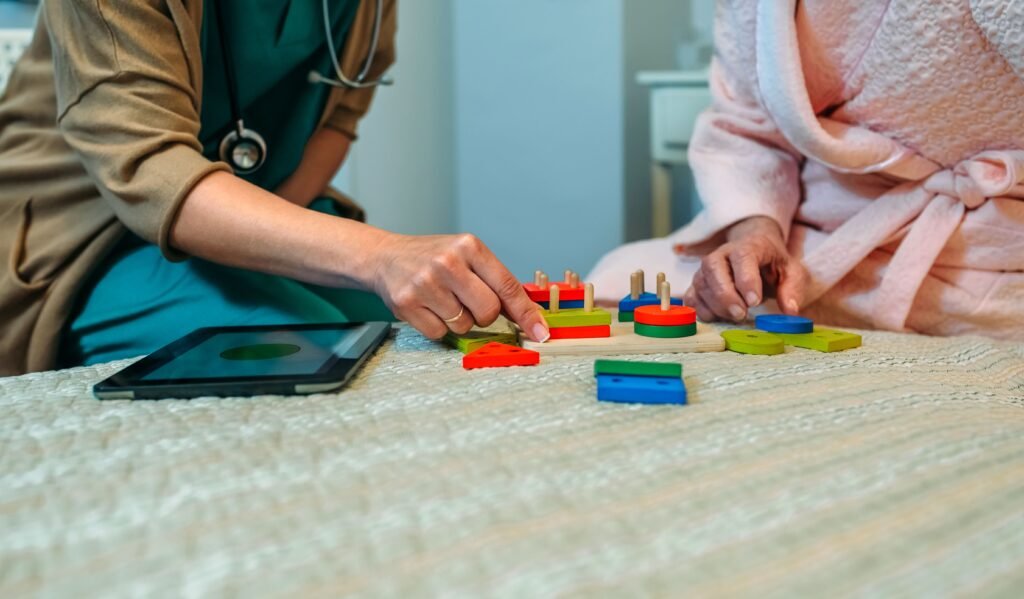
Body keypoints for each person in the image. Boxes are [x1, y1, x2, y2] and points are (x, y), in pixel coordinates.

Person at [0, 0, 550, 376]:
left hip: (263, 207)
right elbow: (146, 168)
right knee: (312, 351)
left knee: (412, 338)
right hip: (88, 233)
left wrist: (261, 246)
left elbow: (340, 116)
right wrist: (380, 256)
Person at [589, 0, 1024, 339]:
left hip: (987, 261)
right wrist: (756, 235)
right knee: (619, 277)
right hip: (814, 250)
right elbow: (750, 126)